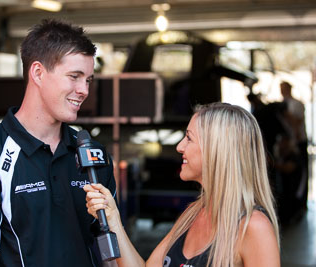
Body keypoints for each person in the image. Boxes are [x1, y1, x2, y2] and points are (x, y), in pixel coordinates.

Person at [0, 19, 116, 267]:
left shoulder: (93, 155)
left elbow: (112, 254)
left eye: (88, 80)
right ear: (38, 73)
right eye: (74, 76)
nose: (84, 90)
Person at [85, 103, 280, 267]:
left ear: (216, 150)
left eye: (189, 138)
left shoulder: (253, 227)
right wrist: (113, 220)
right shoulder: (193, 214)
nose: (179, 147)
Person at [280, 81, 308, 214]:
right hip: (288, 144)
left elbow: (297, 122)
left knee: (301, 172)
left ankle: (301, 203)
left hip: (298, 142)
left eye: (284, 88)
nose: (282, 91)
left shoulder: (297, 104)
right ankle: (291, 205)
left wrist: (294, 142)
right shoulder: (280, 105)